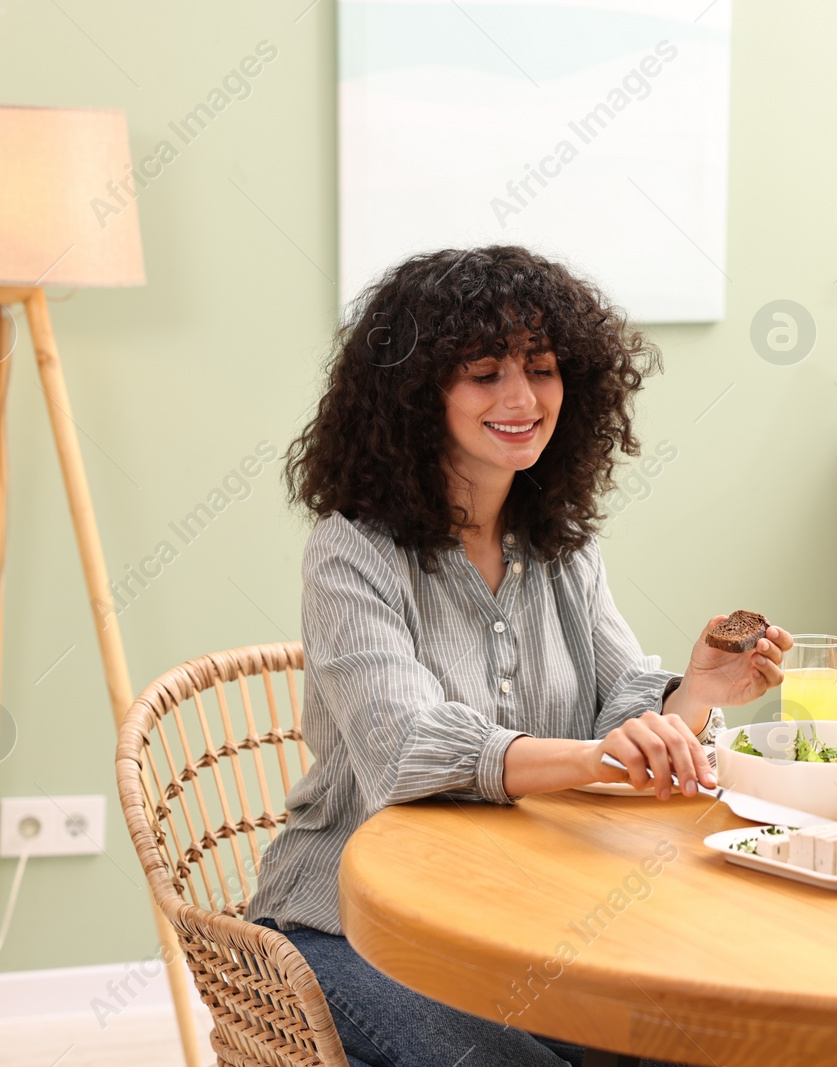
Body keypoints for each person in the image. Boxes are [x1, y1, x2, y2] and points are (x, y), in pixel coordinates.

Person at [248, 245, 794, 1067]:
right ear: (416, 394)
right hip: (348, 920)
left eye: (541, 368)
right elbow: (406, 750)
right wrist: (595, 755)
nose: (521, 397)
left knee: (701, 1037)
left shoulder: (560, 545)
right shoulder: (351, 550)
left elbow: (622, 718)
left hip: (526, 909)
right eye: (483, 373)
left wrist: (695, 697)